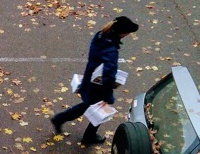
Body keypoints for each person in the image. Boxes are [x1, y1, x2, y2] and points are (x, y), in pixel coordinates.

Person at [50, 16, 139, 145]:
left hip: (90, 78)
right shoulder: (111, 51)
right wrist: (107, 97)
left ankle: (61, 120)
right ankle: (87, 134)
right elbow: (108, 75)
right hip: (98, 87)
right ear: (123, 33)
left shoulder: (101, 36)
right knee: (100, 111)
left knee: (87, 105)